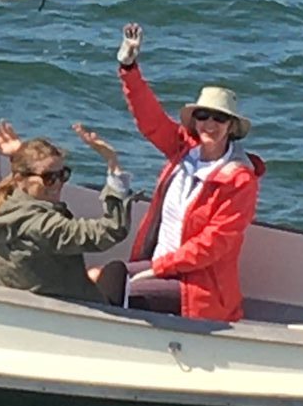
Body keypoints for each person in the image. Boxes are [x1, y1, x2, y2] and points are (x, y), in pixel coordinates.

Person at [105, 23, 261, 322]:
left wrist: (159, 269)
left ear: (231, 126)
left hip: (197, 286)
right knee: (101, 276)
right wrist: (129, 68)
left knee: (115, 291)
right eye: (203, 116)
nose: (209, 124)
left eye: (219, 118)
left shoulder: (240, 179)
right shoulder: (183, 149)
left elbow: (213, 244)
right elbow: (150, 119)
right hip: (158, 266)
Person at [0, 129, 132, 306]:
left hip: (17, 297)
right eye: (49, 178)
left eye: (63, 174)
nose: (58, 183)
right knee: (117, 272)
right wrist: (114, 167)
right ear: (20, 179)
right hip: (73, 310)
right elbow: (111, 230)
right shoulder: (43, 225)